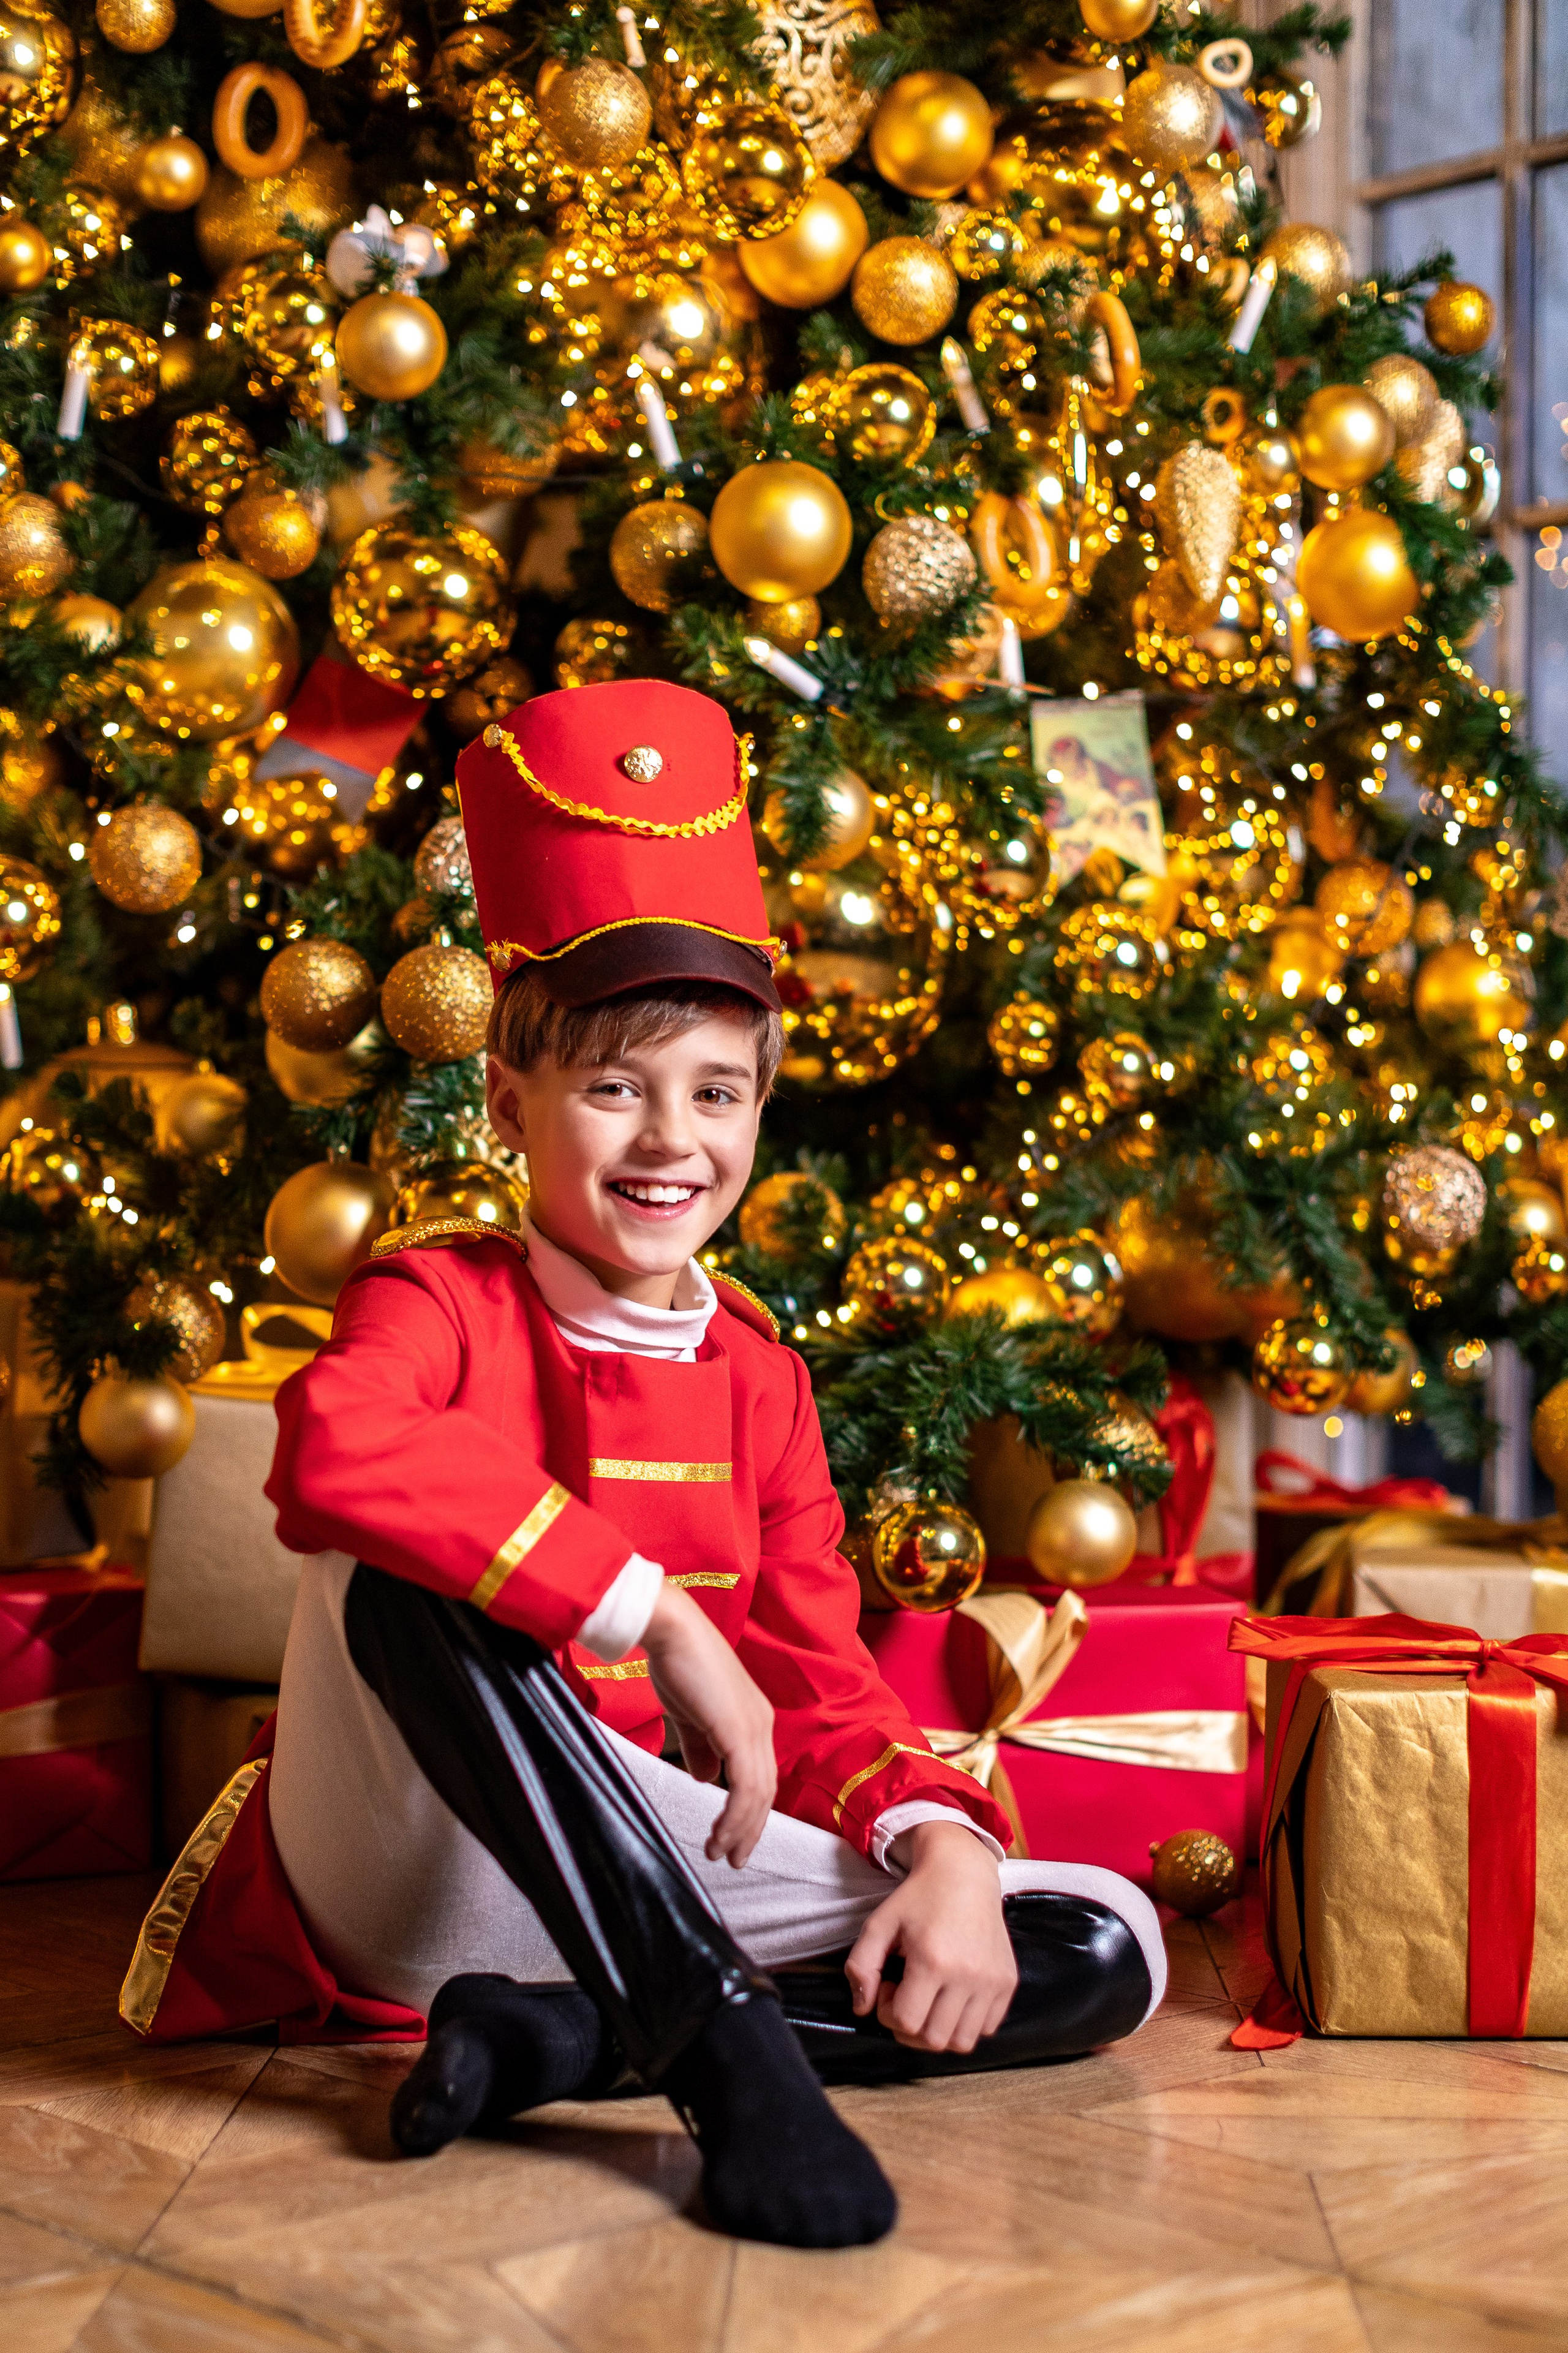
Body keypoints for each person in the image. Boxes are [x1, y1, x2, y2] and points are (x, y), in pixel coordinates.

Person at [119, 680, 1164, 2250]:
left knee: (1101, 1939)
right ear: (506, 1099)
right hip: (412, 1858)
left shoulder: (762, 1375)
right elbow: (331, 1450)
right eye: (613, 1085)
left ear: (757, 1107)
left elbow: (816, 1682)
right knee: (393, 1556)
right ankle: (733, 2062)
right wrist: (650, 1611)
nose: (669, 1138)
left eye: (715, 1092)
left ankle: (559, 2044)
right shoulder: (437, 1295)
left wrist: (943, 1845)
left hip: (643, 1877)